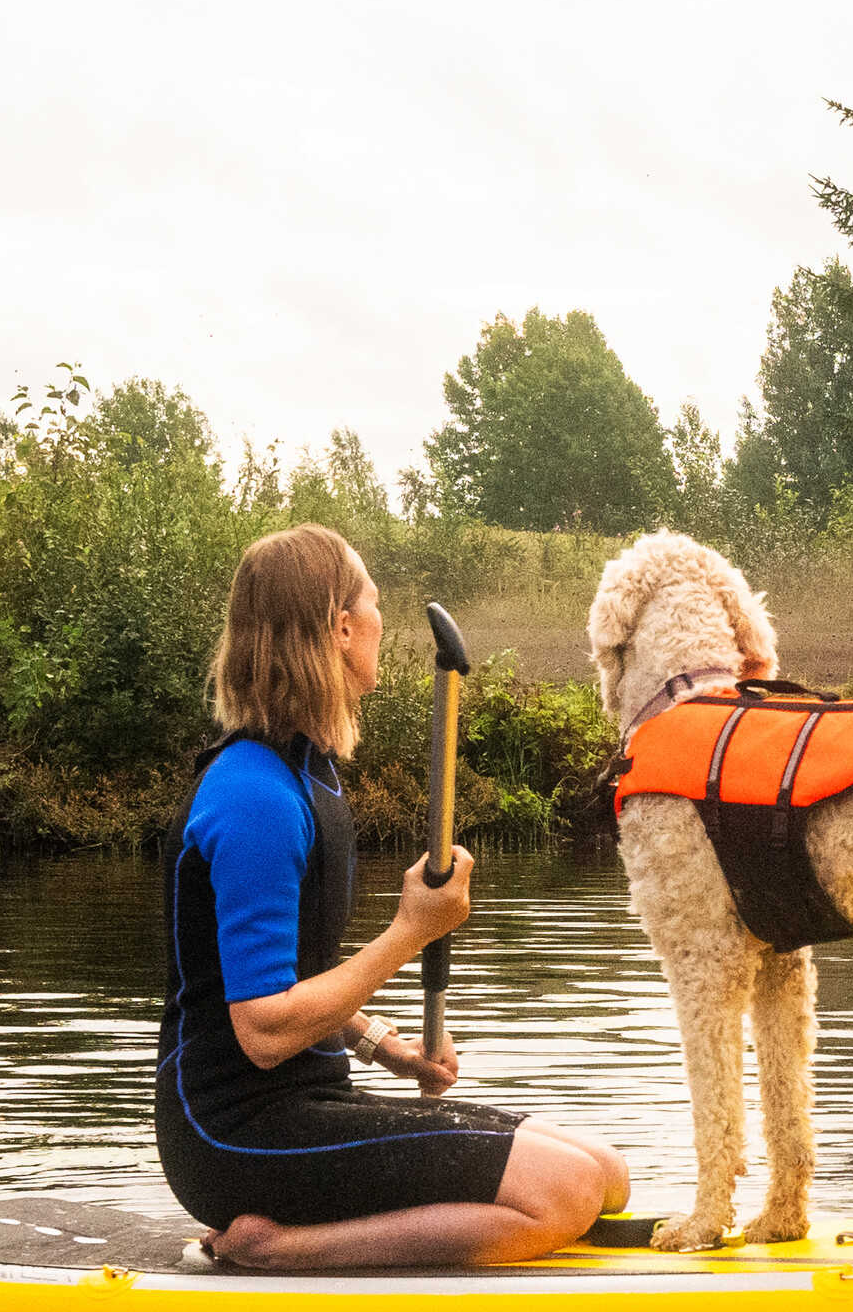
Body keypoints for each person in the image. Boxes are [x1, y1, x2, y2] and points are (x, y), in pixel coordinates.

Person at [157, 523, 627, 1268]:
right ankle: (278, 1249)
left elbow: (293, 977)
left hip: (310, 1104)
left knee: (608, 1175)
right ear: (342, 628)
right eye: (373, 603)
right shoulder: (255, 797)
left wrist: (387, 1049)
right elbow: (263, 1029)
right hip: (233, 1135)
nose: (382, 620)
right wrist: (412, 931)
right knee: (563, 1194)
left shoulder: (306, 776)